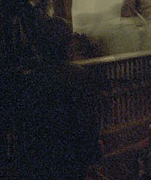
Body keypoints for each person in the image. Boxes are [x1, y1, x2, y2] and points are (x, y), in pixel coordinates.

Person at [20, 17, 102, 180]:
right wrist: (92, 152)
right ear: (68, 44)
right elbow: (89, 120)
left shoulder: (30, 80)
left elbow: (26, 125)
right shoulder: (82, 76)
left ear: (38, 46)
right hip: (74, 155)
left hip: (42, 157)